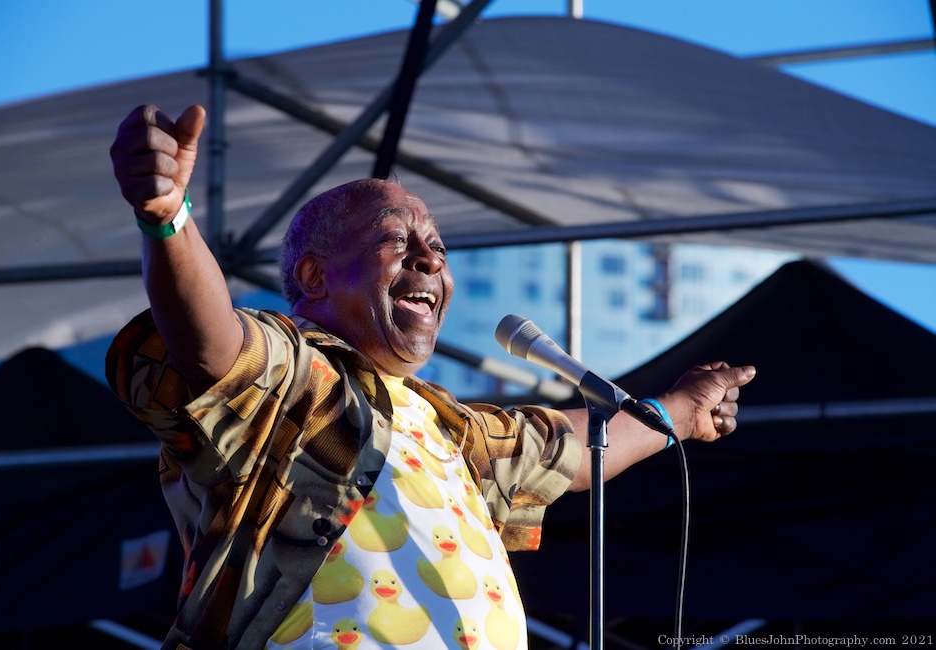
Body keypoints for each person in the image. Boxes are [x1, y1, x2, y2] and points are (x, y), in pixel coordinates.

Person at [107, 104, 756, 650]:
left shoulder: (444, 424)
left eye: (438, 249)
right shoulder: (298, 376)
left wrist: (677, 410)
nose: (428, 259)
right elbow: (213, 348)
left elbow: (564, 451)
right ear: (314, 277)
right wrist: (167, 217)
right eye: (397, 240)